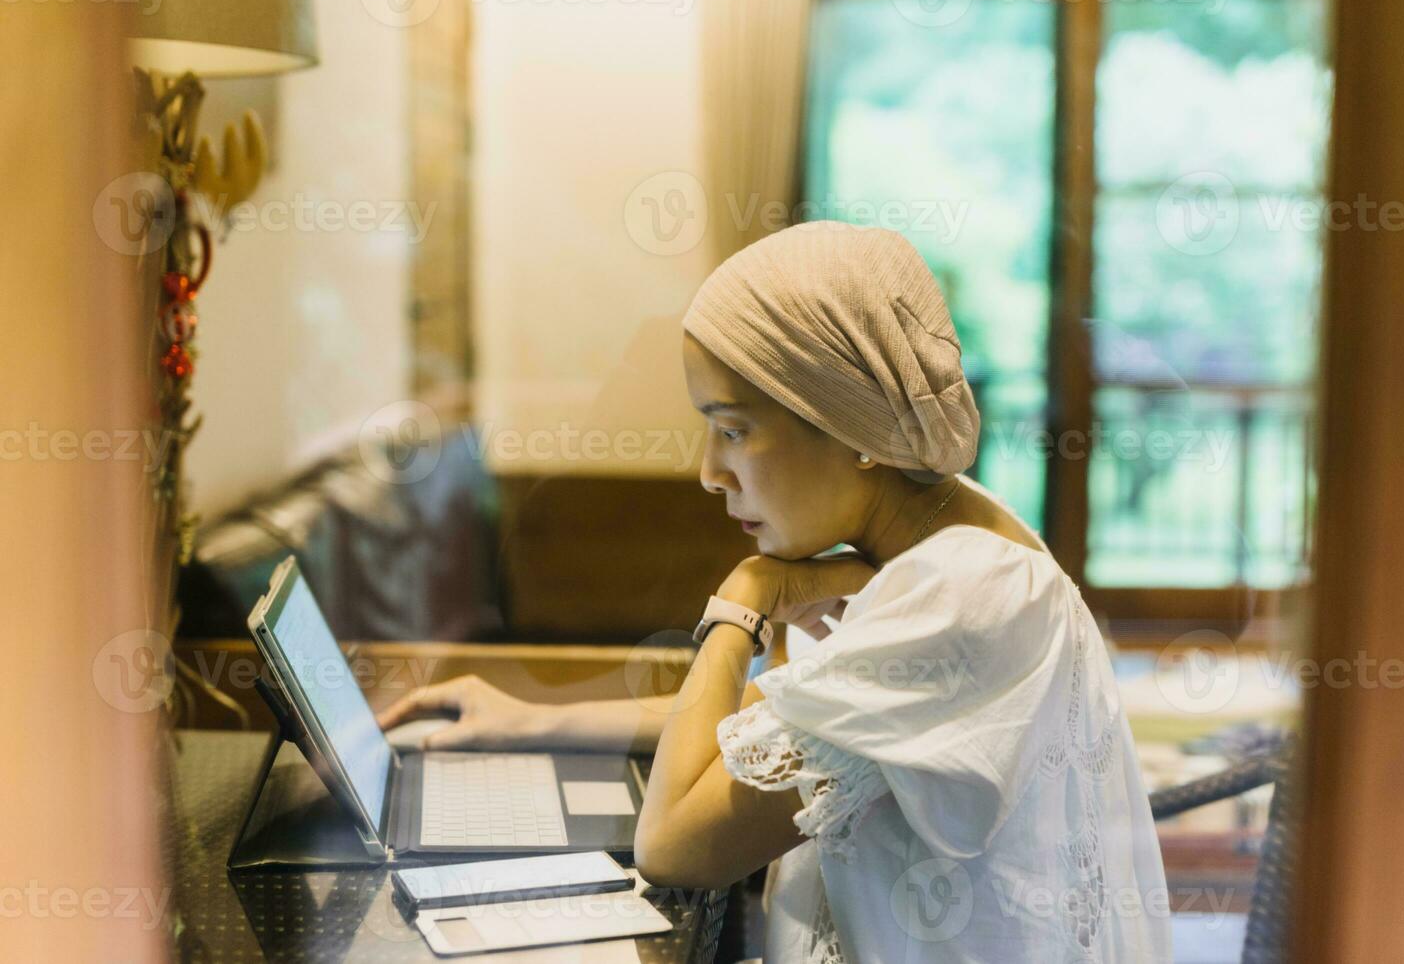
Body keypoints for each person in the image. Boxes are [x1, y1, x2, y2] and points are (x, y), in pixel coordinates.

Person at [377, 222, 1171, 962]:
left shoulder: (958, 596)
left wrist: (741, 604)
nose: (709, 472)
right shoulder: (952, 522)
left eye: (732, 429)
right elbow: (790, 726)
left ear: (853, 426)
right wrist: (531, 721)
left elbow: (676, 847)